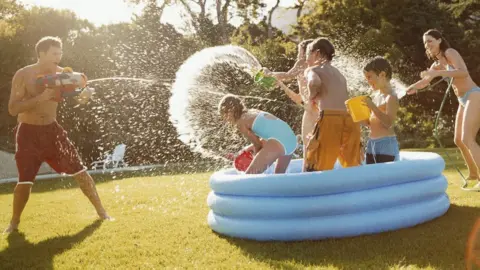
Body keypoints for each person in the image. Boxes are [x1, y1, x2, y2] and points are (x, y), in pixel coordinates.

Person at [5, 36, 112, 233]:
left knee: (80, 171)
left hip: (52, 131)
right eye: (54, 53)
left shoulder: (63, 75)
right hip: (28, 133)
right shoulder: (24, 74)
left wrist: (84, 97)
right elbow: (13, 108)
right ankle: (14, 223)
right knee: (25, 181)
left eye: (60, 53)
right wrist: (41, 98)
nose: (59, 57)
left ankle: (102, 212)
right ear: (41, 54)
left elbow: (76, 97)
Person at [406, 29, 480, 189]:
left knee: (468, 138)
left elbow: (463, 72)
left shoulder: (450, 52)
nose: (427, 45)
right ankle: (474, 173)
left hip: (473, 95)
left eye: (430, 41)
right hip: (463, 100)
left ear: (439, 40)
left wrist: (436, 74)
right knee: (458, 140)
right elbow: (425, 81)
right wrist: (412, 87)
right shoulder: (436, 64)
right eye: (425, 42)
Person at [303, 37, 362, 172]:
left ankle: (316, 191)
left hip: (330, 119)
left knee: (317, 165)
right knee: (352, 166)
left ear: (317, 53)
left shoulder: (313, 70)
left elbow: (314, 83)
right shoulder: (340, 74)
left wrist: (311, 97)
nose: (306, 61)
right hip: (350, 119)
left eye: (307, 55)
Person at [263, 39, 317, 166]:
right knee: (313, 144)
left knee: (308, 145)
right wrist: (281, 84)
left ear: (306, 52)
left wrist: (271, 74)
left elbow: (288, 75)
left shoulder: (303, 62)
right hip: (314, 109)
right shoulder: (315, 67)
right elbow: (299, 98)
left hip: (311, 111)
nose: (298, 56)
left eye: (299, 52)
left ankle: (308, 173)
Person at [218, 94, 297, 174]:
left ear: (230, 112)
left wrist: (255, 158)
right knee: (279, 176)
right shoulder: (252, 112)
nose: (225, 120)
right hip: (291, 138)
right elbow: (270, 135)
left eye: (224, 115)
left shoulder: (241, 123)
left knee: (250, 175)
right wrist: (246, 151)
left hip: (280, 140)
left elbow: (257, 144)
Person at [361, 56, 400, 164]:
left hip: (386, 144)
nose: (368, 81)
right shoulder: (376, 95)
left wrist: (372, 107)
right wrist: (357, 116)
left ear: (382, 75)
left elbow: (388, 123)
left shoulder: (391, 96)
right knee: (371, 178)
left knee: (386, 178)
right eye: (366, 78)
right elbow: (370, 123)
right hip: (372, 143)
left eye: (370, 77)